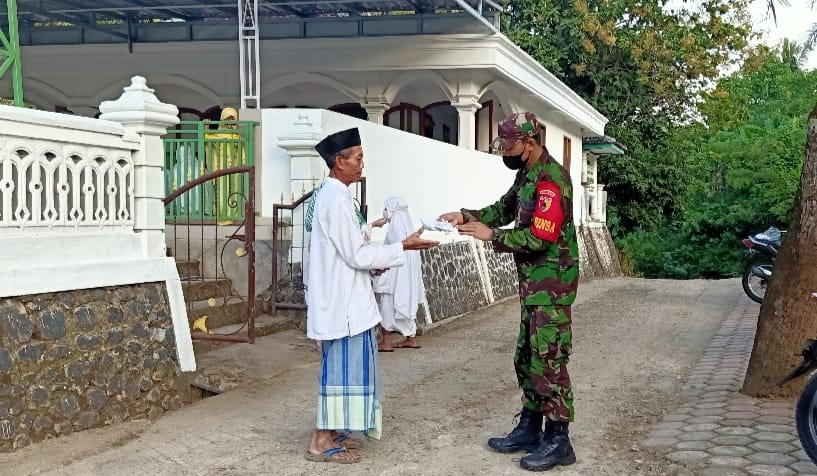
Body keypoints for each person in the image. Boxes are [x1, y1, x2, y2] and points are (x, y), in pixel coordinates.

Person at [439, 112, 579, 472]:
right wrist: (466, 215)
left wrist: (493, 236)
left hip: (552, 287)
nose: (505, 150)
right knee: (526, 356)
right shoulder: (527, 175)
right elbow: (503, 209)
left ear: (529, 143)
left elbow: (540, 237)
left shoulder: (551, 180)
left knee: (548, 357)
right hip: (533, 287)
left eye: (509, 144)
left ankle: (559, 439)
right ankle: (531, 428)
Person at [306, 127, 438, 464]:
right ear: (340, 161)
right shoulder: (334, 201)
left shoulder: (340, 198)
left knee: (349, 372)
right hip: (342, 306)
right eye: (359, 157)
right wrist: (402, 246)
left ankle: (334, 430)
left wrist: (385, 250)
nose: (363, 164)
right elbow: (357, 256)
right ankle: (321, 440)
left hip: (349, 301)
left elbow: (356, 250)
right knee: (339, 371)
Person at [372, 197, 424, 352]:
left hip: (393, 282)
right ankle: (411, 338)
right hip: (407, 281)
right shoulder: (409, 231)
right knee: (407, 304)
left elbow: (389, 254)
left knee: (387, 306)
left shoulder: (395, 230)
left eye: (386, 209)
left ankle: (386, 341)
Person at [204, 107, 243, 225]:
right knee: (222, 190)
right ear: (222, 119)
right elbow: (206, 139)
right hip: (221, 165)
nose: (229, 122)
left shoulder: (236, 135)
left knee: (234, 189)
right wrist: (205, 127)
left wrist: (235, 131)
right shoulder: (216, 135)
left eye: (232, 119)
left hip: (234, 166)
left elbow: (240, 145)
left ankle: (232, 216)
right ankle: (222, 217)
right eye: (227, 119)